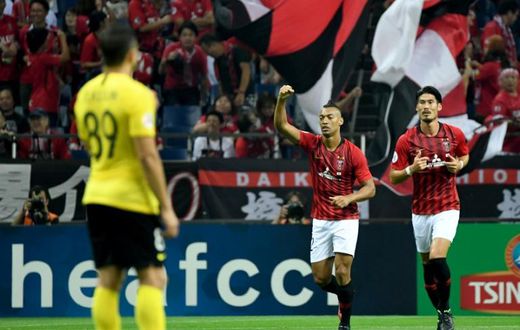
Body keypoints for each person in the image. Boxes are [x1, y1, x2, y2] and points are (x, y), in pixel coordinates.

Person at [74, 22, 179, 330]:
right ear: (133, 55)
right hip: (131, 198)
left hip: (97, 195)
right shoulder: (138, 94)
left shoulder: (85, 93)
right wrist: (167, 207)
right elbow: (147, 155)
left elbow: (88, 144)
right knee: (153, 276)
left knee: (108, 279)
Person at [275, 85, 376, 330]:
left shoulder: (353, 153)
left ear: (340, 121)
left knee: (342, 271)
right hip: (321, 219)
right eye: (321, 118)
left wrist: (349, 198)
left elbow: (370, 188)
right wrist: (281, 101)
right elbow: (282, 127)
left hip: (346, 219)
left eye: (330, 117)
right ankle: (346, 295)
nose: (324, 121)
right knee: (320, 278)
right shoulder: (313, 144)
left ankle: (345, 323)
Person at [389, 86, 469, 330]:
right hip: (420, 211)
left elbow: (464, 156)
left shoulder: (454, 134)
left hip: (447, 206)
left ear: (439, 107)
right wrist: (411, 170)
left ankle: (445, 312)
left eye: (430, 102)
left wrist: (459, 165)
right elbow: (393, 177)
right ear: (416, 107)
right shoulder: (406, 140)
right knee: (427, 265)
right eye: (422, 102)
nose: (426, 106)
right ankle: (443, 312)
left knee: (437, 257)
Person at [489, 68, 520, 154]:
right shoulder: (500, 100)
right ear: (501, 81)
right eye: (507, 77)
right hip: (507, 143)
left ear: (517, 80)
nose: (510, 80)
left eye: (513, 77)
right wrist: (516, 123)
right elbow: (499, 122)